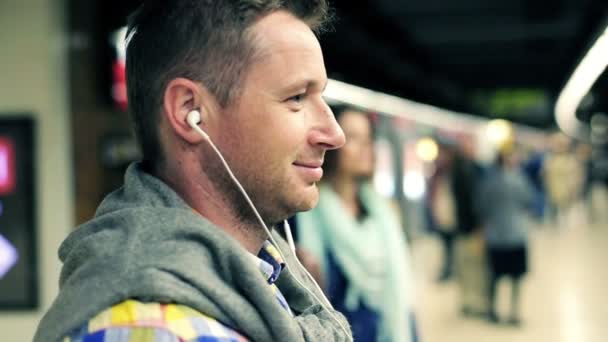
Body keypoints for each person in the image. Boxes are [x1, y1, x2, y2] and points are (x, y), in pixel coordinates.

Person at [35, 2, 353, 341]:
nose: (334, 135)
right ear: (190, 111)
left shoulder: (266, 281)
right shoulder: (146, 330)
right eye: (296, 98)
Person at [296, 106, 418, 342]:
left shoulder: (383, 212)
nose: (365, 147)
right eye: (353, 137)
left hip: (387, 332)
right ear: (332, 144)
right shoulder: (307, 213)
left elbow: (400, 291)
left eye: (368, 138)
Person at [477, 148, 534, 325]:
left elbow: (481, 206)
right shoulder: (519, 180)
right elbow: (528, 201)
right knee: (516, 277)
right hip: (517, 234)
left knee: (494, 276)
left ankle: (492, 311)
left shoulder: (488, 182)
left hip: (495, 236)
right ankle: (514, 313)